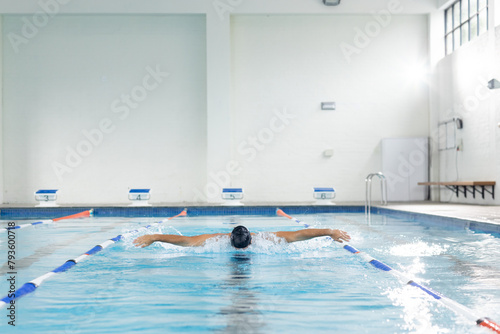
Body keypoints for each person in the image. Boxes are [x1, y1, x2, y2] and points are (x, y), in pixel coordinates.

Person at [133, 225, 351, 249]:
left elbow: (186, 241)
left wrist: (156, 237)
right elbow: (297, 236)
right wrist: (156, 236)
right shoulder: (266, 239)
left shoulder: (215, 242)